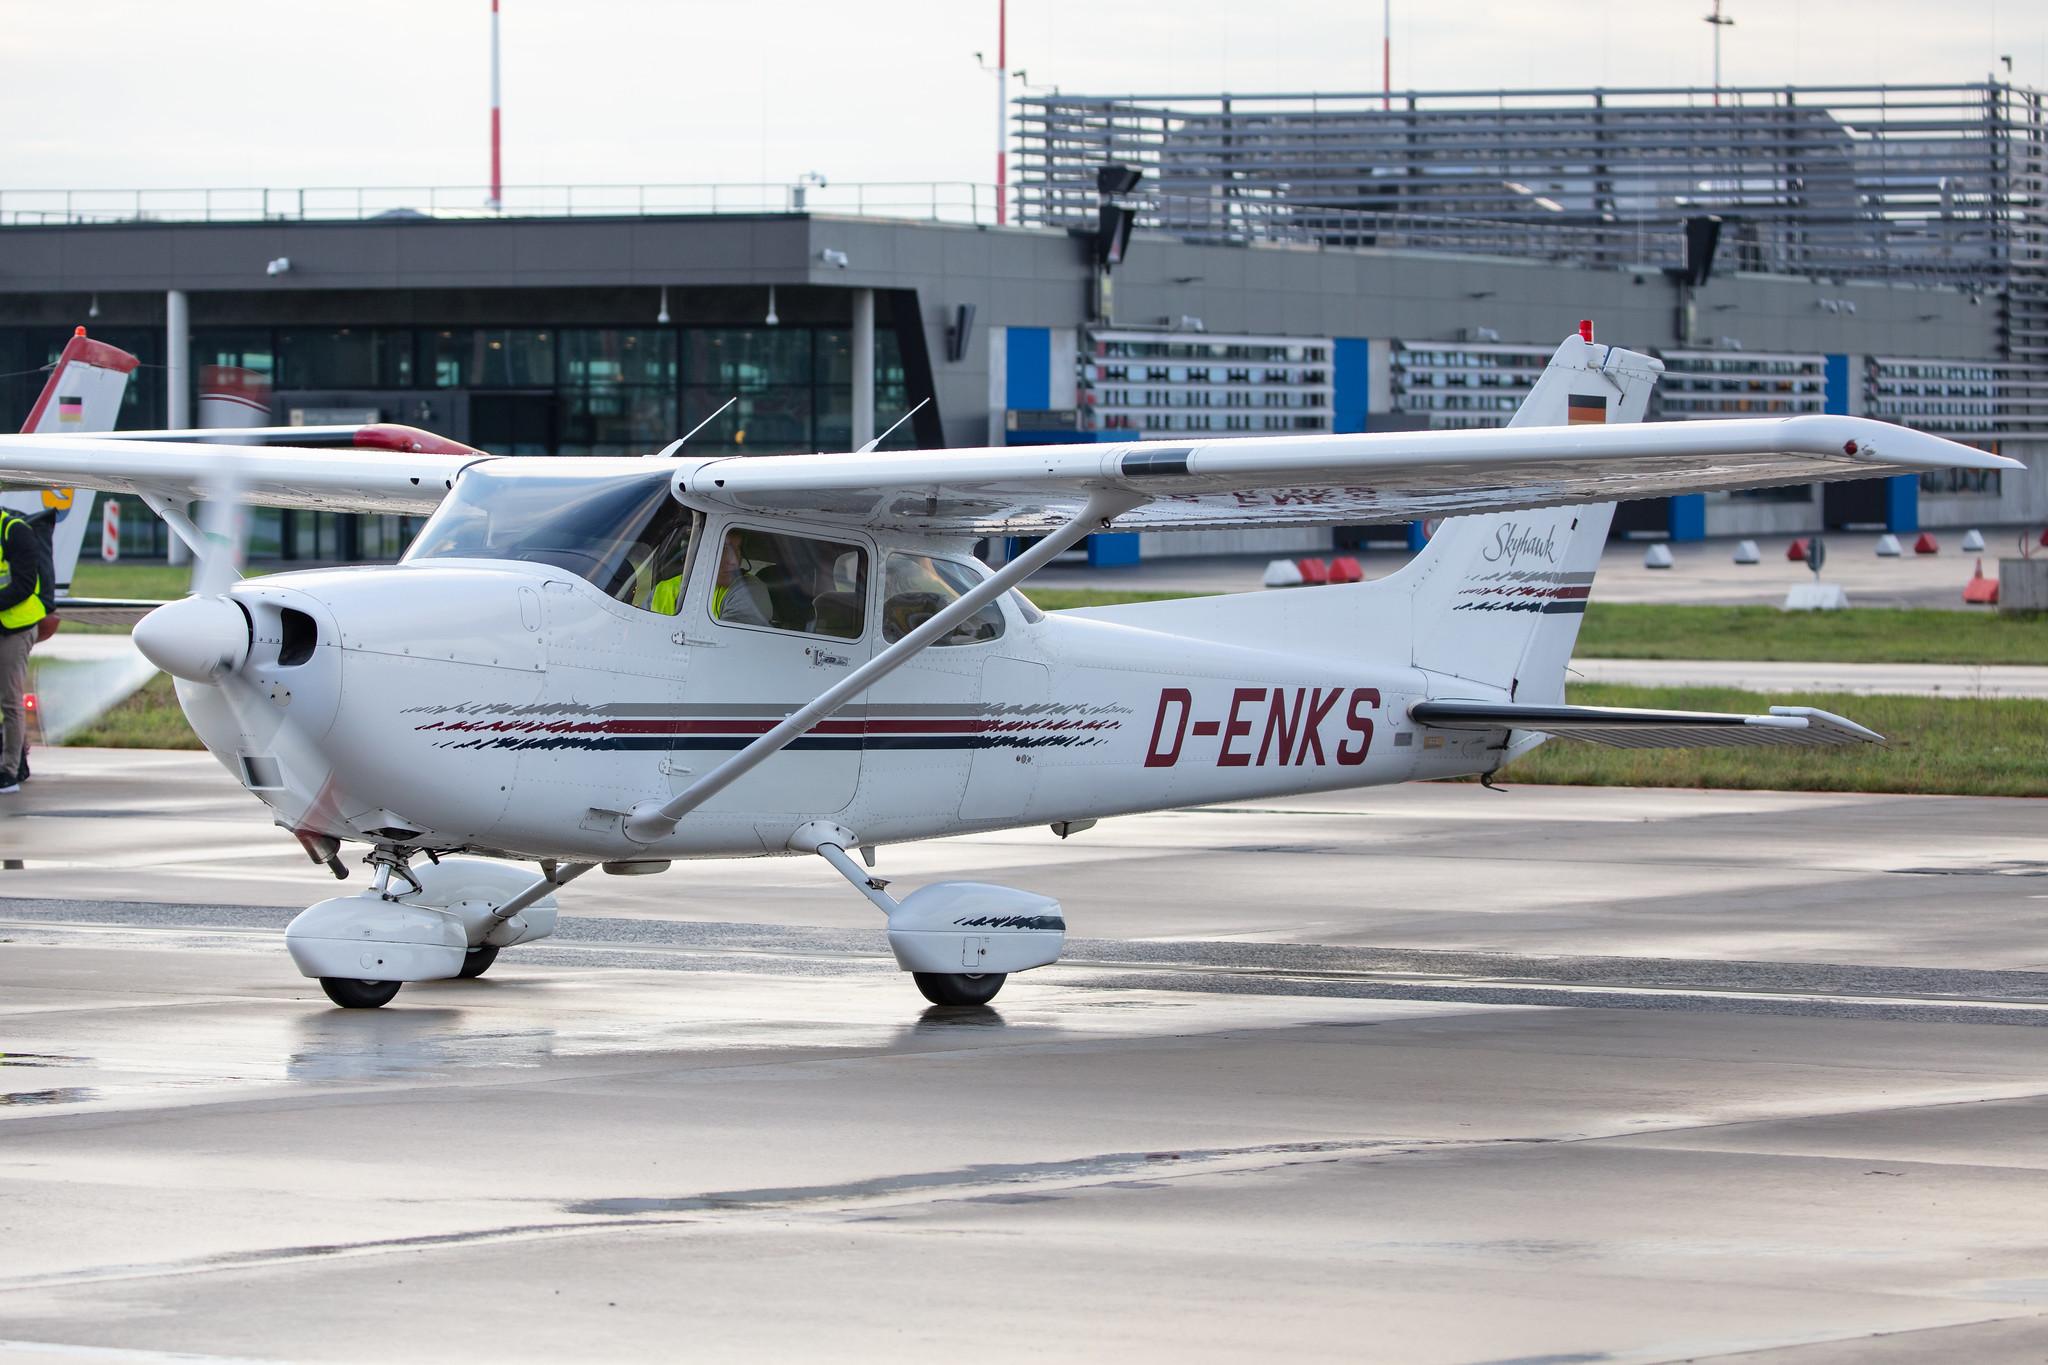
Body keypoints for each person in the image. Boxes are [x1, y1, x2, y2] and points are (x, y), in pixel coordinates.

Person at [0, 508, 53, 794]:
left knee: (10, 699)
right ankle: (16, 759)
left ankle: (9, 771)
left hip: (16, 625)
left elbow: (23, 586)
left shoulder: (14, 531)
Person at [710, 534, 773, 627]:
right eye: (723, 548)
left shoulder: (751, 589)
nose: (734, 561)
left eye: (738, 549)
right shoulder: (683, 582)